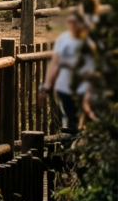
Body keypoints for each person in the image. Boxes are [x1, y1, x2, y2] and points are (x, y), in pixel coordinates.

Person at [40, 8, 95, 138]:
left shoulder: (89, 42)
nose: (72, 24)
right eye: (69, 21)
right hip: (64, 88)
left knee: (82, 121)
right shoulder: (62, 40)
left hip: (83, 89)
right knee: (67, 121)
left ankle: (80, 149)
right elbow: (55, 63)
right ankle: (67, 147)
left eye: (75, 22)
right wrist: (47, 85)